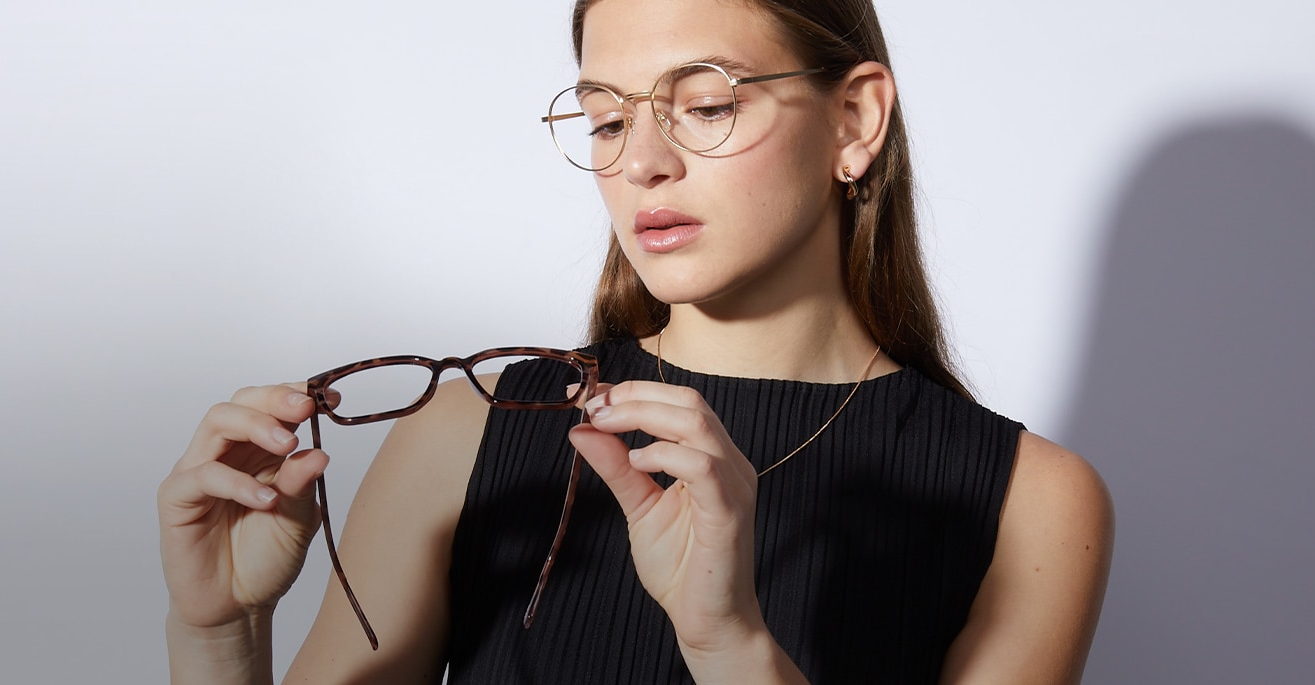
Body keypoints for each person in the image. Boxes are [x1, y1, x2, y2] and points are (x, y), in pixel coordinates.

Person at [158, 0, 1113, 682]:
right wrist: (218, 634)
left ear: (854, 119)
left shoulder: (1031, 504)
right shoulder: (463, 436)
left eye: (705, 104)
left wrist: (731, 643)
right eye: (608, 117)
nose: (642, 162)